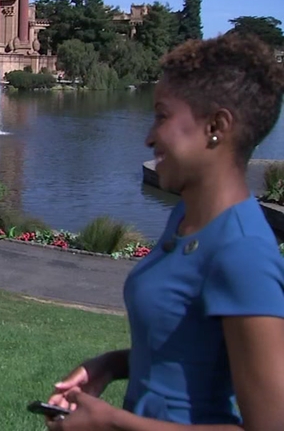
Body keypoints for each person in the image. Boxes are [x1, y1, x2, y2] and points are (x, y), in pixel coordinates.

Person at [44, 34, 284, 430]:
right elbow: (184, 350)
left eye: (162, 116)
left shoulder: (243, 253)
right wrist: (111, 364)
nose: (149, 136)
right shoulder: (187, 216)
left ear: (216, 126)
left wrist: (113, 424)